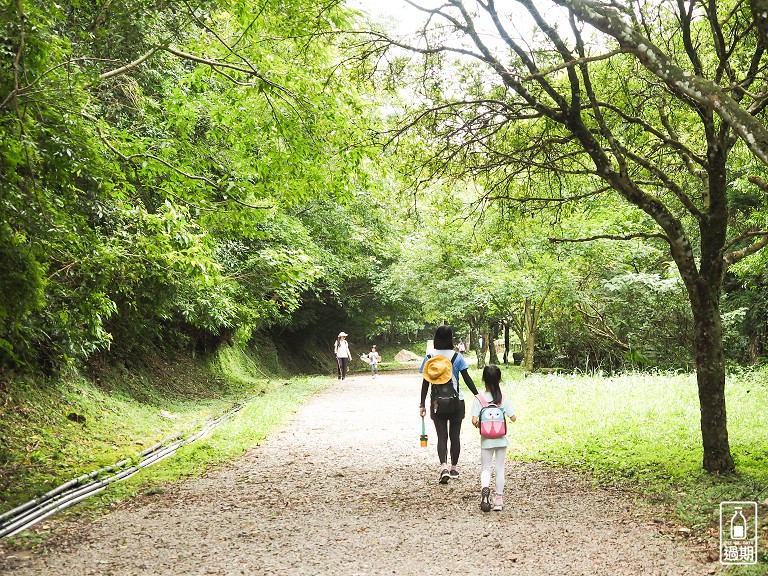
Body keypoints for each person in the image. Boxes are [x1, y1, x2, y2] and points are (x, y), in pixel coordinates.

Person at [419, 325, 480, 483]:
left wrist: (422, 404)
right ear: (450, 338)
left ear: (436, 338)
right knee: (455, 436)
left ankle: (443, 467)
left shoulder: (430, 357)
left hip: (436, 402)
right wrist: (478, 395)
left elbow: (425, 383)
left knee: (441, 436)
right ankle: (454, 468)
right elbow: (466, 378)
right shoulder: (457, 357)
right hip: (456, 401)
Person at [470, 364, 516, 512]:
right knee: (500, 468)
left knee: (486, 468)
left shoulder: (479, 399)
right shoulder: (502, 399)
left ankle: (485, 489)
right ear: (499, 380)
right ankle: (498, 500)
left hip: (486, 440)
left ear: (483, 378)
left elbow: (474, 420)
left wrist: (480, 424)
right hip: (501, 439)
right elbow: (514, 418)